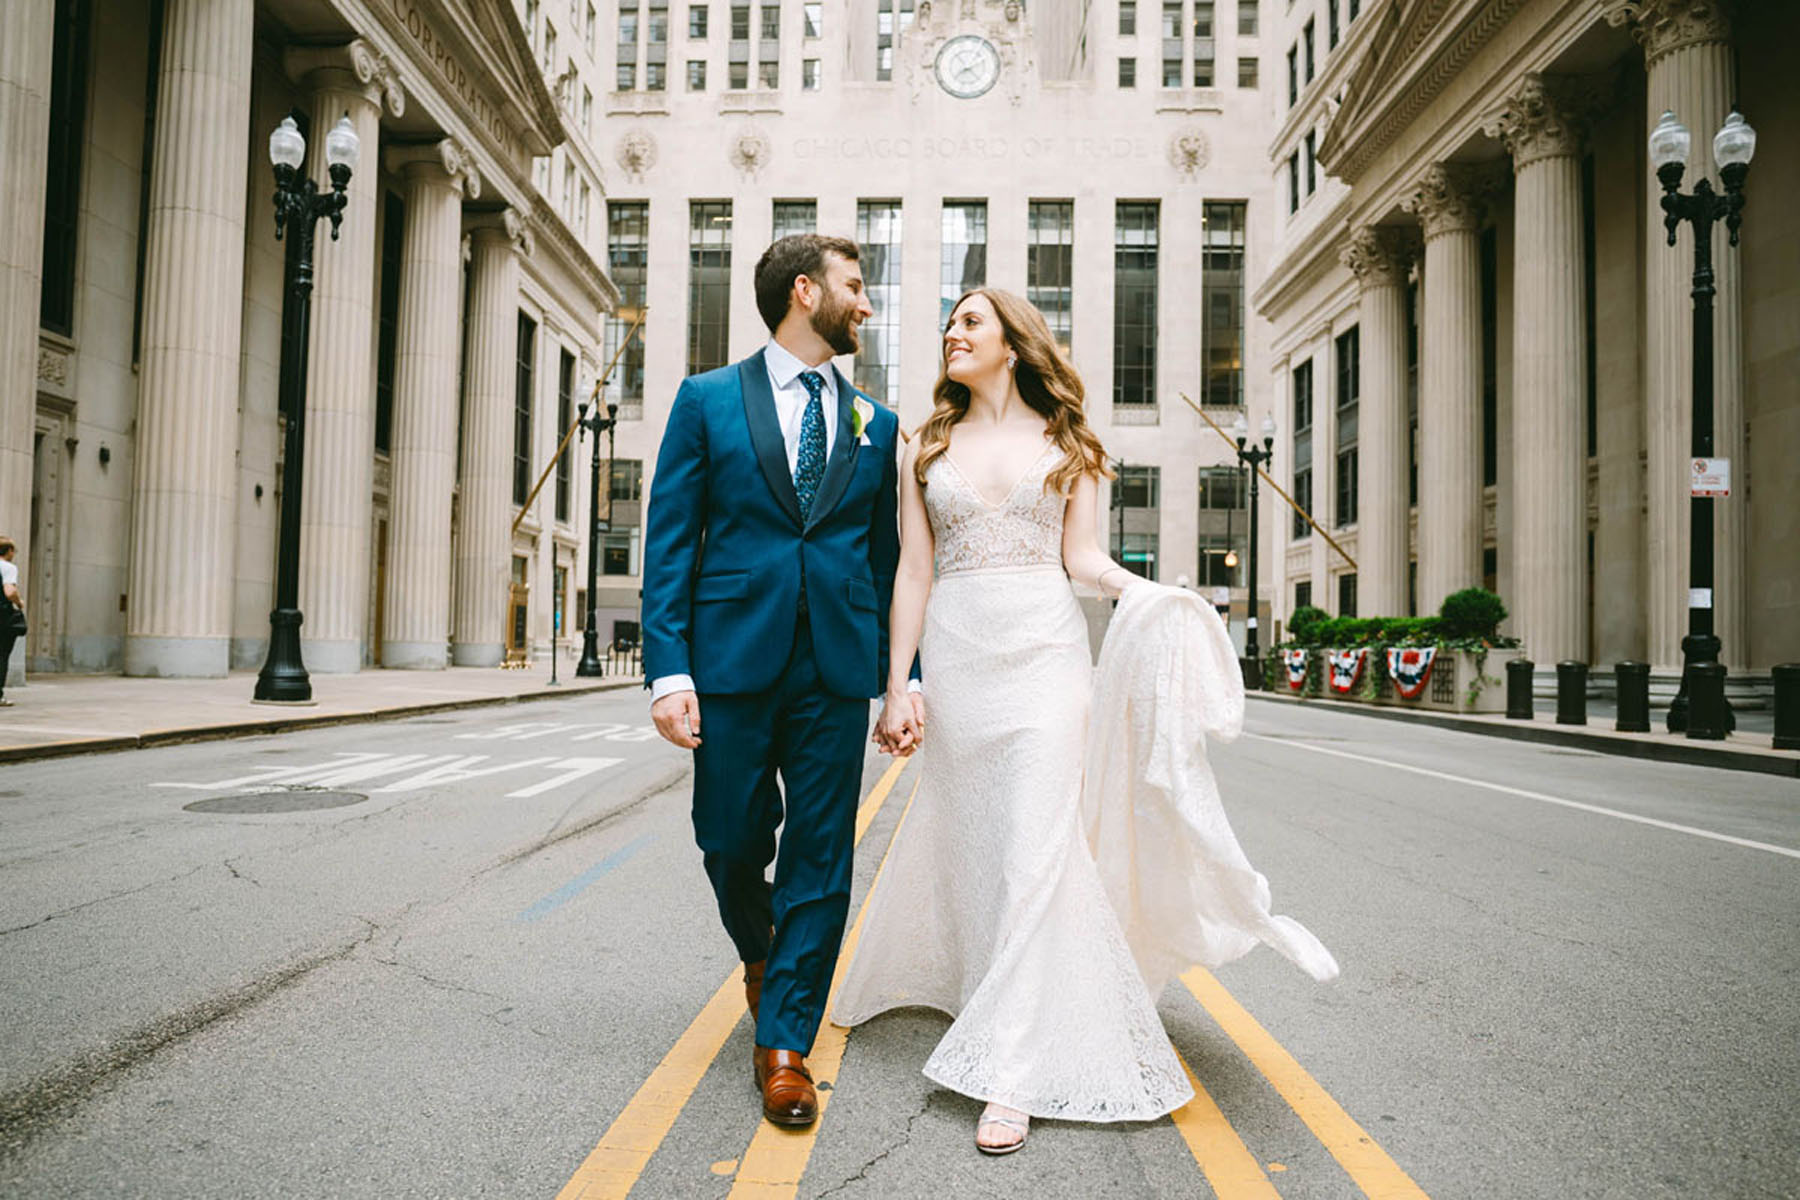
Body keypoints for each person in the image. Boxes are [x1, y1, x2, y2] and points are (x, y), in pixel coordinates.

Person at [835, 289, 1337, 1154]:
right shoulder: (924, 445)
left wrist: (1153, 594)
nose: (952, 334)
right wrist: (899, 684)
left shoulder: (1068, 444)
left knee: (1036, 844)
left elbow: (1083, 559)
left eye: (970, 323)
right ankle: (991, 985)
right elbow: (913, 573)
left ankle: (1013, 1072)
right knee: (980, 840)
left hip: (1045, 656)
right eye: (950, 326)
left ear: (1014, 344)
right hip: (959, 654)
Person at [641, 234, 916, 1128]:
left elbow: (885, 563)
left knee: (823, 853)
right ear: (805, 292)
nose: (866, 305)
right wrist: (668, 670)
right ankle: (764, 952)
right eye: (853, 286)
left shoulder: (877, 421)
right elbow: (672, 543)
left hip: (835, 666)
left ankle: (786, 1040)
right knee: (727, 837)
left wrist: (897, 680)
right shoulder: (706, 400)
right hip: (730, 658)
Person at [0, 536, 21, 707]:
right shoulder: (8, 568)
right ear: (9, 551)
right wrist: (19, 602)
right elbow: (9, 592)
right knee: (2, 655)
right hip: (2, 616)